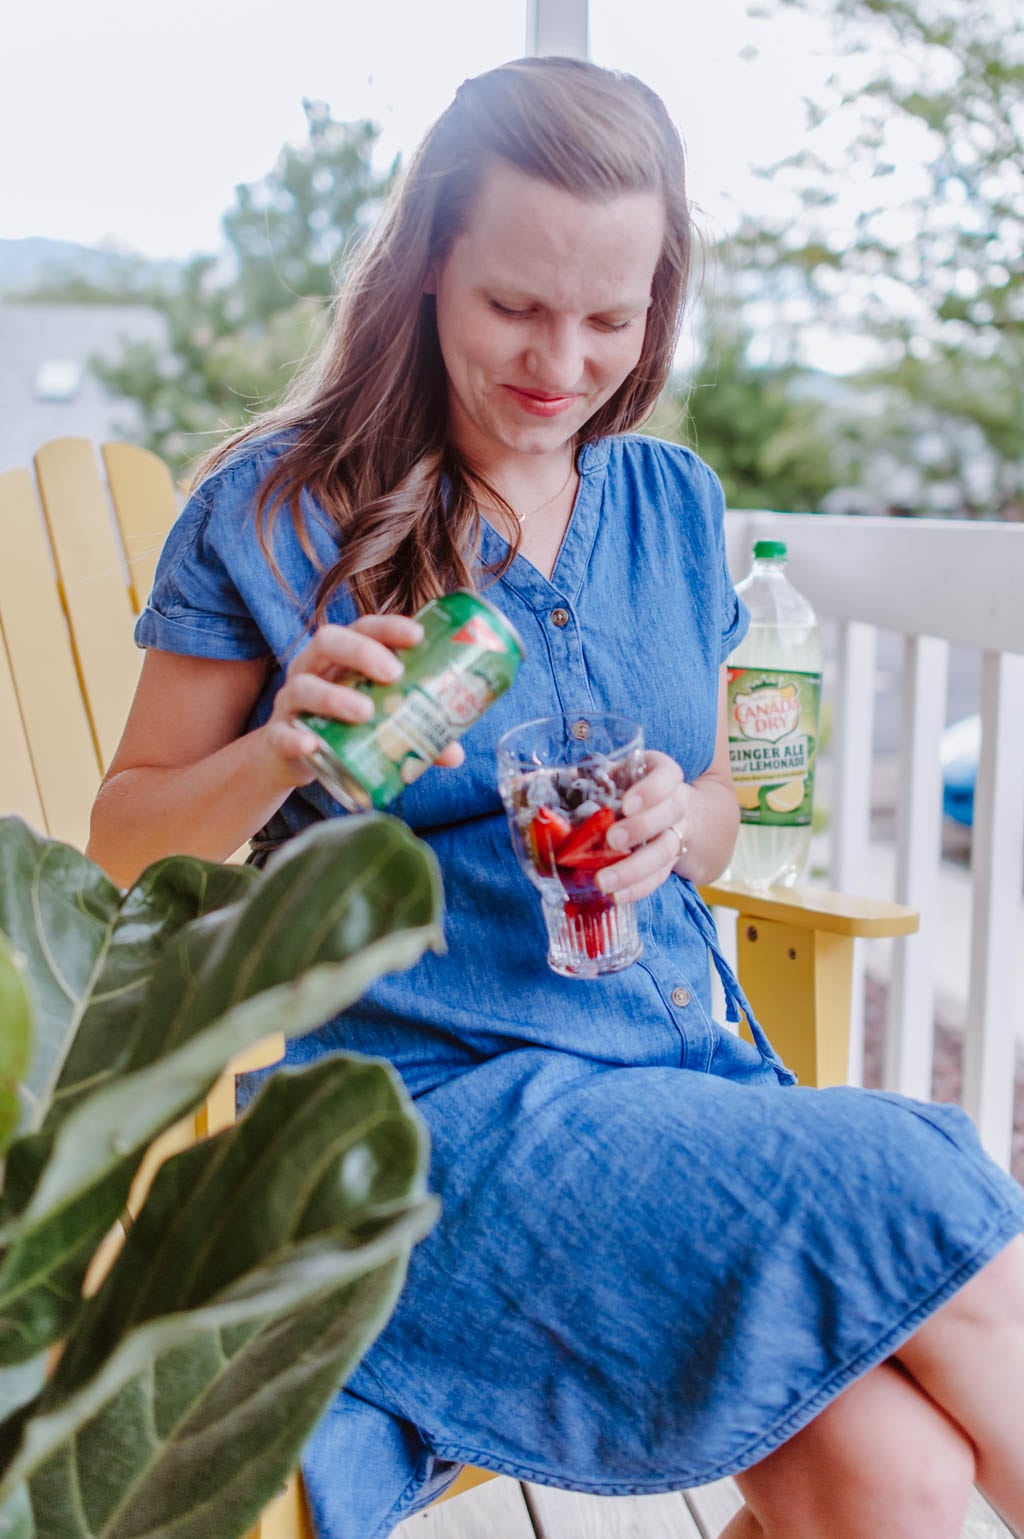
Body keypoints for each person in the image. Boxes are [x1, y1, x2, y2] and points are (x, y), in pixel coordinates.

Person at [88, 55, 1024, 1539]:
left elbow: (719, 805)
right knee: (926, 1175)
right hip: (430, 1114)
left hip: (669, 1083)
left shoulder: (672, 500)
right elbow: (120, 844)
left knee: (892, 1475)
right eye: (515, 306)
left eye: (611, 315)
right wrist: (279, 750)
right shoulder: (274, 511)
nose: (562, 361)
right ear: (427, 271)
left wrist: (682, 820)